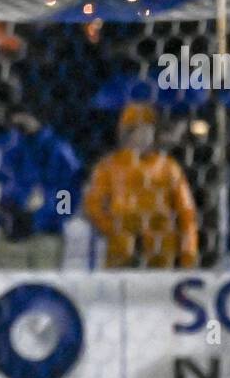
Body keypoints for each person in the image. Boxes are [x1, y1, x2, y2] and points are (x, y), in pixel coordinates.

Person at [83, 103, 199, 269]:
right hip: (122, 251)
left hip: (160, 250)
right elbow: (93, 205)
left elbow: (186, 214)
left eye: (148, 130)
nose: (144, 136)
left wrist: (188, 253)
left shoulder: (168, 167)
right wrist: (115, 229)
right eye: (136, 130)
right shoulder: (109, 166)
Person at [0, 106, 82, 269]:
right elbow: (0, 180)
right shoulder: (4, 146)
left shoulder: (59, 149)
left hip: (46, 236)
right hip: (12, 232)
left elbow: (67, 189)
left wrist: (53, 218)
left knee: (42, 287)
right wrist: (17, 209)